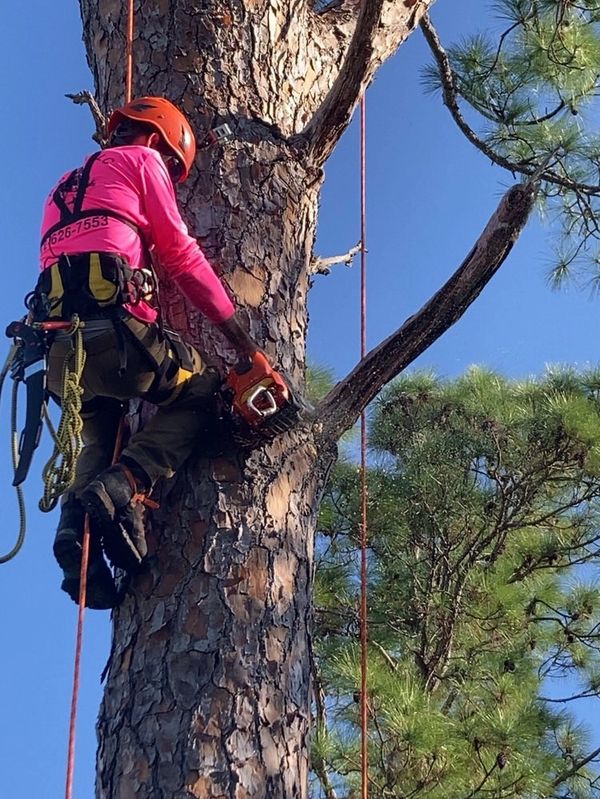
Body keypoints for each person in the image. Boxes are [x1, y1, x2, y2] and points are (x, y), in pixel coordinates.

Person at [36, 96, 282, 609]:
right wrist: (242, 345)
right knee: (203, 390)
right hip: (117, 339)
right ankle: (124, 484)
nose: (169, 174)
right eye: (174, 165)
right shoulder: (143, 161)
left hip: (61, 356)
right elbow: (180, 254)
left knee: (97, 434)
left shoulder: (61, 188)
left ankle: (74, 527)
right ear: (155, 140)